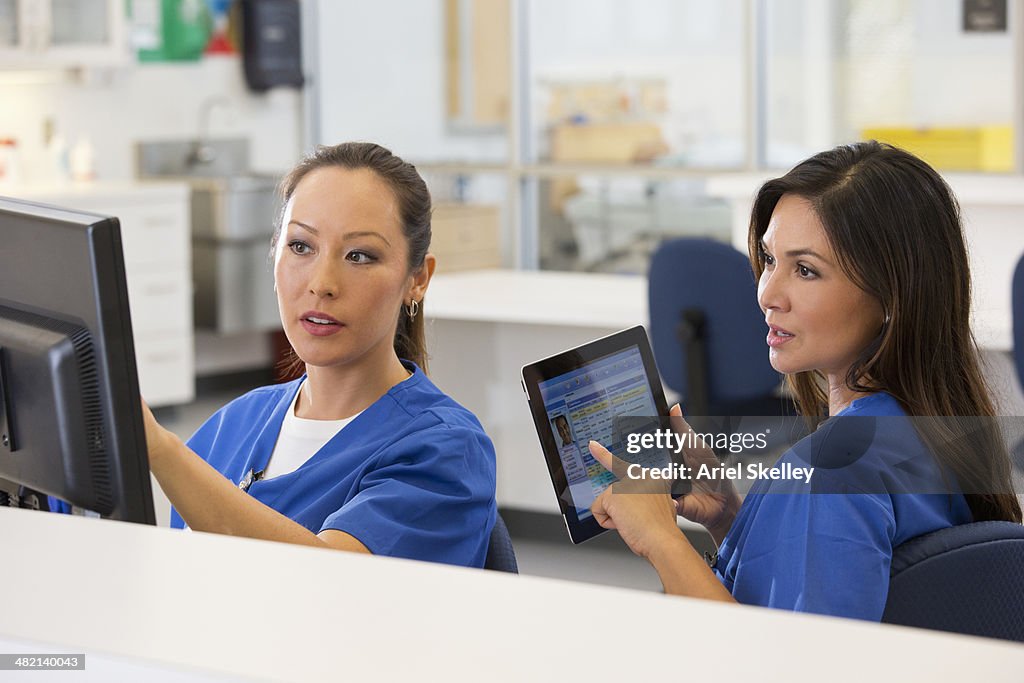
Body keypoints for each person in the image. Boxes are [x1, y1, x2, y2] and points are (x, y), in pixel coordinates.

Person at [588, 141, 1022, 619]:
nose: (768, 294)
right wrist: (731, 518)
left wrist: (660, 539)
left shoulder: (832, 471)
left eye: (806, 270)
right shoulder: (938, 432)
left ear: (891, 297)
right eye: (769, 259)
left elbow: (778, 655)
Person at [141, 142, 497, 567]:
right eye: (301, 247)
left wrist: (160, 450)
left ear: (417, 279)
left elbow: (333, 581)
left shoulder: (445, 449)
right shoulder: (232, 425)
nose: (322, 283)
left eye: (359, 256)